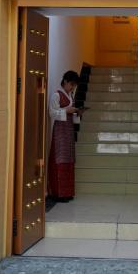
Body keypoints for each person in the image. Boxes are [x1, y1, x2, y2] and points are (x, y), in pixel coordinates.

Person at [47, 70, 83, 202]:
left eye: (74, 85)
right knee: (59, 159)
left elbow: (71, 117)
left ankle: (67, 192)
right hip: (60, 131)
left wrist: (77, 113)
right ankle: (58, 193)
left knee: (68, 159)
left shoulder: (70, 96)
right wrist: (66, 111)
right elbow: (52, 113)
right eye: (71, 84)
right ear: (66, 81)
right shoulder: (56, 95)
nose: (72, 87)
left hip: (68, 130)